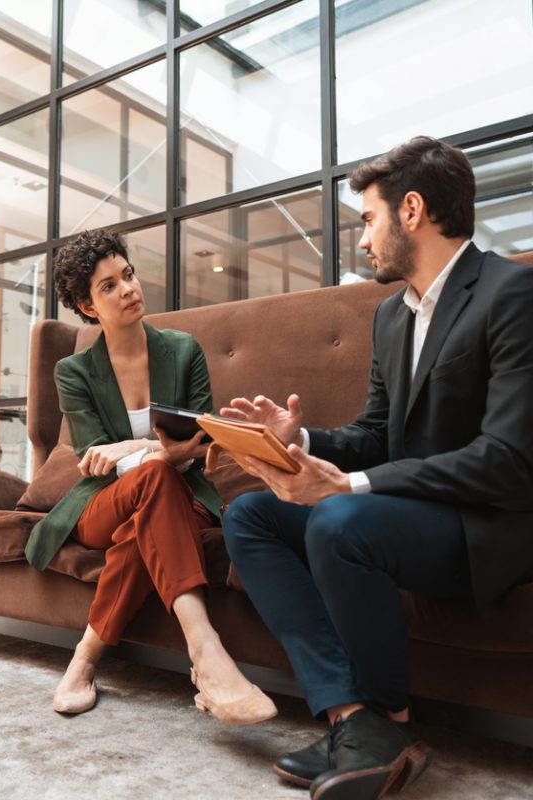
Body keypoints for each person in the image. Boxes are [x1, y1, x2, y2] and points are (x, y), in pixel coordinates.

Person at [220, 136, 533, 800]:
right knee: (250, 514)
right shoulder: (391, 316)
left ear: (411, 209)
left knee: (338, 520)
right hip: (404, 514)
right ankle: (356, 719)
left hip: (484, 526)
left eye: (368, 218)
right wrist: (297, 437)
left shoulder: (514, 293)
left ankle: (387, 718)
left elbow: (506, 461)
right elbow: (374, 436)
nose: (363, 239)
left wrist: (347, 485)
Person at [25, 229, 276, 725]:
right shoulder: (73, 371)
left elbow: (204, 442)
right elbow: (97, 461)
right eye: (108, 287)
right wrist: (156, 452)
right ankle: (205, 652)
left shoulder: (183, 351)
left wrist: (134, 448)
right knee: (155, 481)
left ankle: (86, 659)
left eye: (128, 275)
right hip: (102, 502)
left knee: (150, 510)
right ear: (87, 305)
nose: (128, 290)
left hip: (183, 493)